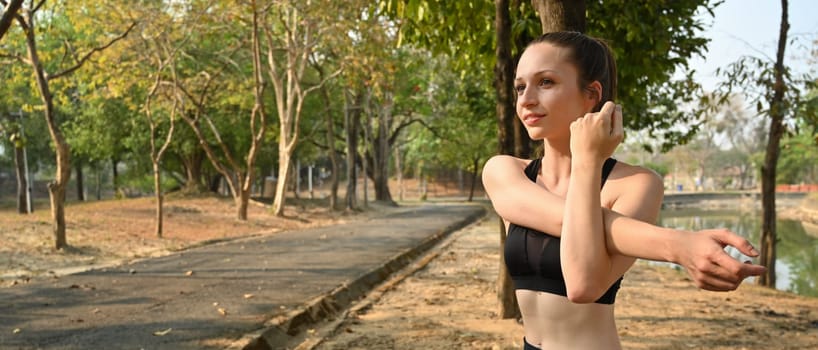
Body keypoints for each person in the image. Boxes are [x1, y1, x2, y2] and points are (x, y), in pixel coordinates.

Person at [482, 31, 766, 350]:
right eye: (520, 87)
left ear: (592, 94)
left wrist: (588, 160)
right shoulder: (504, 171)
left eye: (546, 82)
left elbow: (582, 285)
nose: (526, 99)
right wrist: (677, 244)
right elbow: (569, 222)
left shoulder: (638, 184)